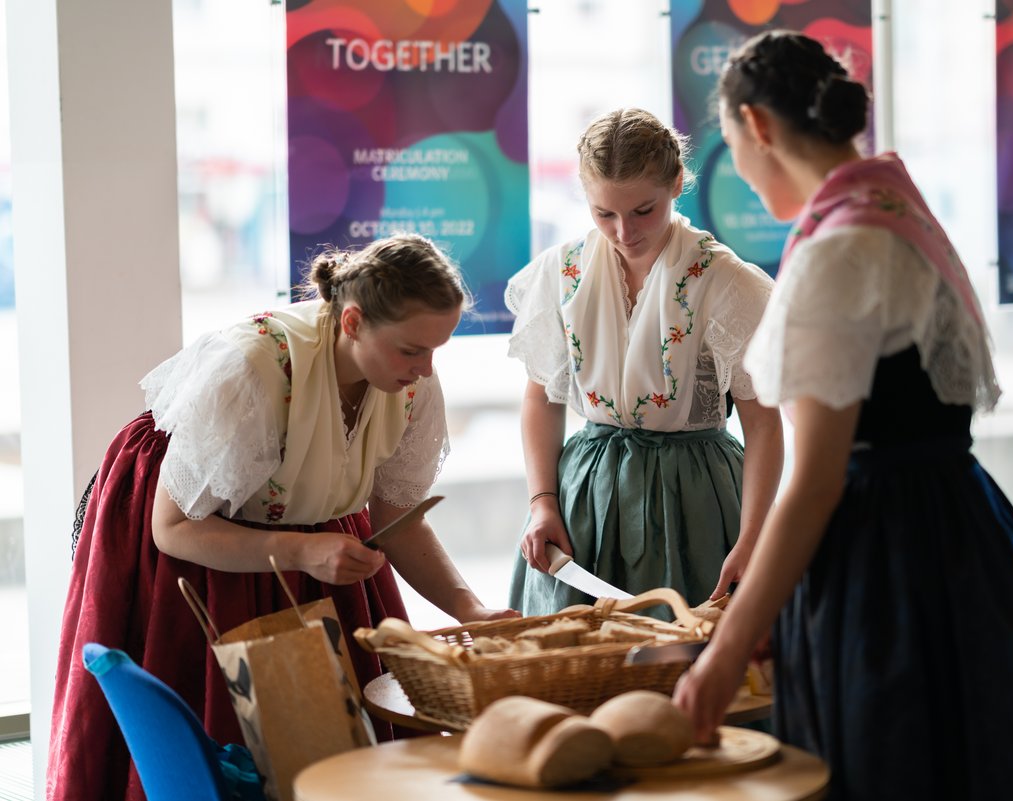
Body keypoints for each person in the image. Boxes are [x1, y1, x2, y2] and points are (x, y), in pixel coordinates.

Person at [672, 31, 1013, 801]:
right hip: (962, 525)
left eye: (732, 145)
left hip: (885, 554)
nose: (736, 166)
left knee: (890, 762)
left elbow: (818, 474)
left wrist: (727, 648)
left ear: (758, 128)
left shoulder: (839, 248)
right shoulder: (899, 209)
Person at [48, 233, 516, 801]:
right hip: (203, 528)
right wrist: (301, 551)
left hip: (307, 532)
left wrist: (468, 607)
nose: (425, 369)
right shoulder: (254, 369)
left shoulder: (408, 381)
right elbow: (173, 529)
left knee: (336, 742)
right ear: (351, 323)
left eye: (436, 349)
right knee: (229, 743)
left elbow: (399, 516)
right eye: (412, 350)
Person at [506, 108, 784, 617]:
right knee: (575, 666)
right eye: (603, 214)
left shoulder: (727, 282)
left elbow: (764, 424)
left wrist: (753, 537)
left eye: (643, 211)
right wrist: (542, 501)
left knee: (692, 658)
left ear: (678, 183)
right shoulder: (560, 272)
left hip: (696, 498)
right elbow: (540, 397)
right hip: (585, 495)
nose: (623, 231)